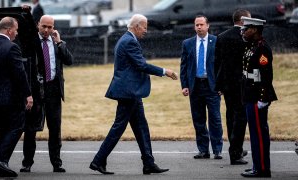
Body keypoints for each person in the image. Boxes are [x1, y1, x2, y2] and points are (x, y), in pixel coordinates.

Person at [89, 14, 177, 175]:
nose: (146, 30)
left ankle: (148, 163)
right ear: (136, 26)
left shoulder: (126, 39)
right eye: (144, 27)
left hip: (131, 93)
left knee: (141, 128)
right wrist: (165, 71)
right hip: (128, 93)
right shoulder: (129, 41)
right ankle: (98, 160)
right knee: (118, 127)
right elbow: (141, 65)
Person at [0, 17, 33, 178]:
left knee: (1, 131)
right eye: (16, 29)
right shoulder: (12, 47)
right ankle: (0, 159)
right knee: (18, 125)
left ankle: (2, 168)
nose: (16, 33)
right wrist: (28, 95)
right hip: (7, 99)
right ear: (9, 30)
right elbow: (20, 74)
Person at [20, 15, 73, 173]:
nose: (46, 30)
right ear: (38, 25)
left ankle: (56, 163)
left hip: (53, 90)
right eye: (44, 26)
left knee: (55, 128)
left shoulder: (57, 43)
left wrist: (59, 42)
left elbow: (69, 60)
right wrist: (24, 13)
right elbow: (24, 27)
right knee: (31, 128)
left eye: (50, 27)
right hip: (35, 90)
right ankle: (27, 162)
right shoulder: (31, 41)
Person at [180, 15, 223, 159]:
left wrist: (221, 84)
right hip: (195, 86)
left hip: (212, 86)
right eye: (196, 25)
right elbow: (184, 66)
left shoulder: (216, 41)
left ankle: (217, 149)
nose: (199, 27)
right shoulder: (188, 43)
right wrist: (185, 85)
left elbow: (221, 65)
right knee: (198, 119)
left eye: (201, 24)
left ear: (207, 26)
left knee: (215, 119)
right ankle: (203, 150)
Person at [240, 16, 277, 178]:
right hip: (250, 94)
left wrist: (263, 98)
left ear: (254, 29)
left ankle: (262, 169)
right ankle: (257, 165)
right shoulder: (252, 46)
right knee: (254, 133)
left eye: (246, 28)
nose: (243, 31)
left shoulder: (262, 48)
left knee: (259, 134)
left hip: (257, 97)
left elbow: (266, 75)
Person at [215, 9, 251, 165]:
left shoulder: (221, 37)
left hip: (228, 85)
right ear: (243, 21)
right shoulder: (245, 38)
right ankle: (235, 152)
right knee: (241, 118)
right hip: (242, 84)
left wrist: (219, 84)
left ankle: (235, 147)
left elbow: (217, 63)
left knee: (231, 117)